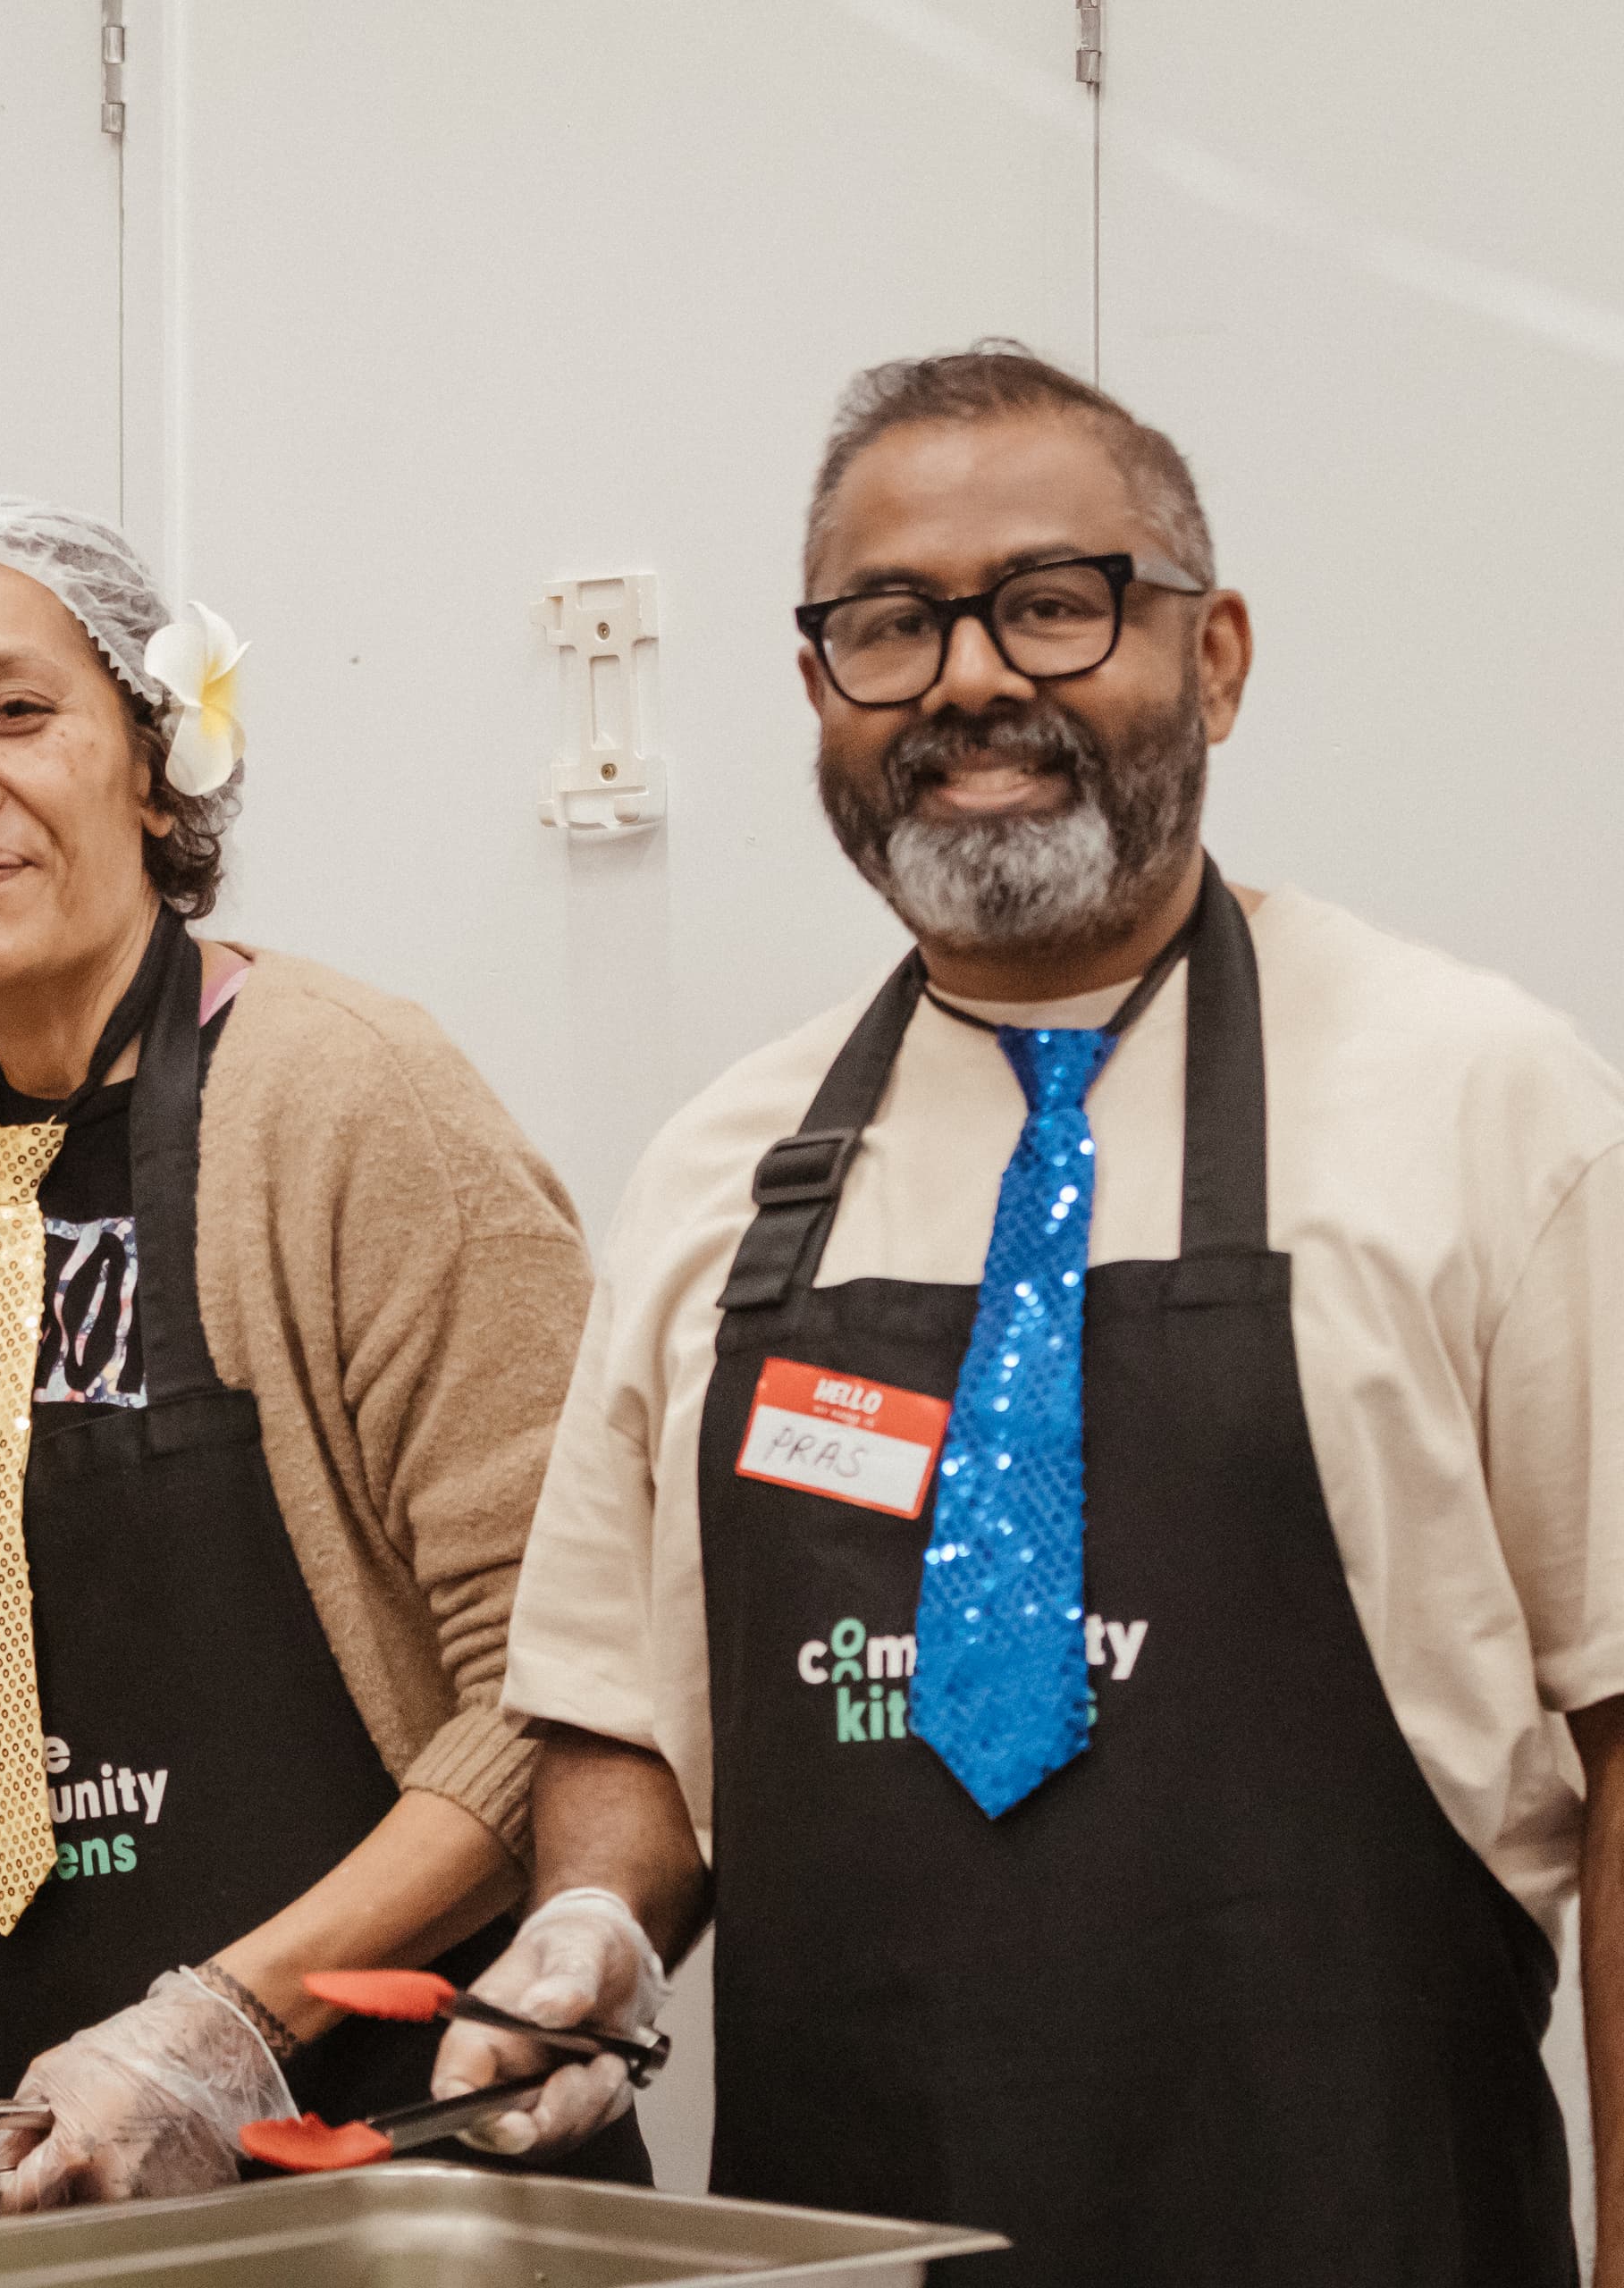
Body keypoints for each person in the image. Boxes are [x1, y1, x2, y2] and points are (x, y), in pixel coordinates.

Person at [450, 343, 1624, 2285]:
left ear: (1217, 654)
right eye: (893, 627)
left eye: (1055, 606)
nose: (975, 678)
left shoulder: (1490, 1106)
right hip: (849, 2237)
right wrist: (597, 1923)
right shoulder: (725, 1170)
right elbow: (624, 1713)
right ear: (819, 690)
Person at [0, 495, 642, 2210]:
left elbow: (565, 1688)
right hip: (35, 2148)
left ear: (157, 768)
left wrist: (234, 2017)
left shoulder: (351, 1098)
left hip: (389, 2141)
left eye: (17, 711)